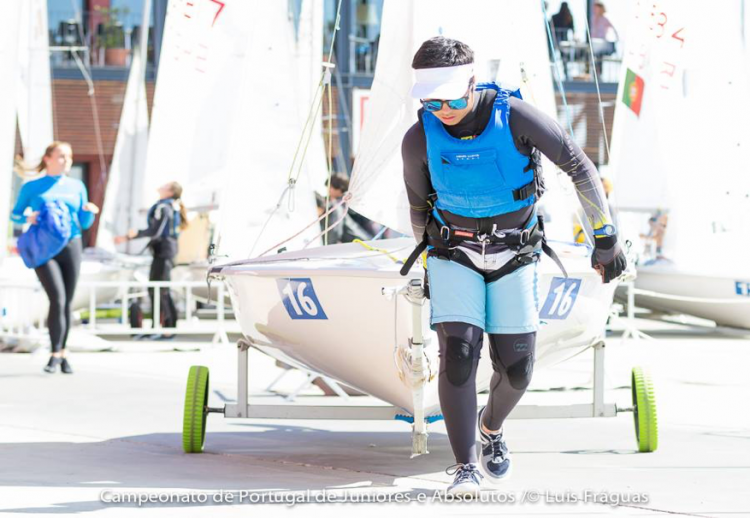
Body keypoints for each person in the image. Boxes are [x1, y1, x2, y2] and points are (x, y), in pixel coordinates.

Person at [401, 37, 626, 496]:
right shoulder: (418, 137)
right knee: (458, 357)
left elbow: (580, 167)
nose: (443, 110)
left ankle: (491, 427)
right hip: (453, 252)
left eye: (452, 99)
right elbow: (418, 206)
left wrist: (605, 239)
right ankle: (465, 467)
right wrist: (425, 260)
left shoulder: (517, 117)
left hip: (516, 253)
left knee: (518, 370)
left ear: (471, 82)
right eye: (432, 102)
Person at [11, 142, 99, 373]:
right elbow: (15, 215)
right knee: (57, 298)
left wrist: (89, 213)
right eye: (61, 156)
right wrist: (28, 217)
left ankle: (62, 354)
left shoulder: (77, 186)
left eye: (69, 156)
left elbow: (84, 223)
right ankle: (54, 353)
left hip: (72, 244)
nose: (66, 160)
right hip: (44, 248)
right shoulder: (32, 187)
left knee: (67, 302)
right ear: (48, 158)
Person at [115, 182, 188, 339]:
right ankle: (159, 327)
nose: (161, 186)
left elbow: (156, 231)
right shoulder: (169, 206)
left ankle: (167, 328)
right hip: (164, 252)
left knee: (160, 289)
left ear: (170, 192)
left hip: (164, 253)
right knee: (156, 289)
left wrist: (132, 235)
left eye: (166, 186)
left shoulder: (164, 207)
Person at [316, 174, 374, 244]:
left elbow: (335, 231)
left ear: (339, 188)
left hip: (361, 239)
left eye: (330, 187)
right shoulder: (338, 201)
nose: (328, 190)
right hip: (361, 238)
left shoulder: (345, 203)